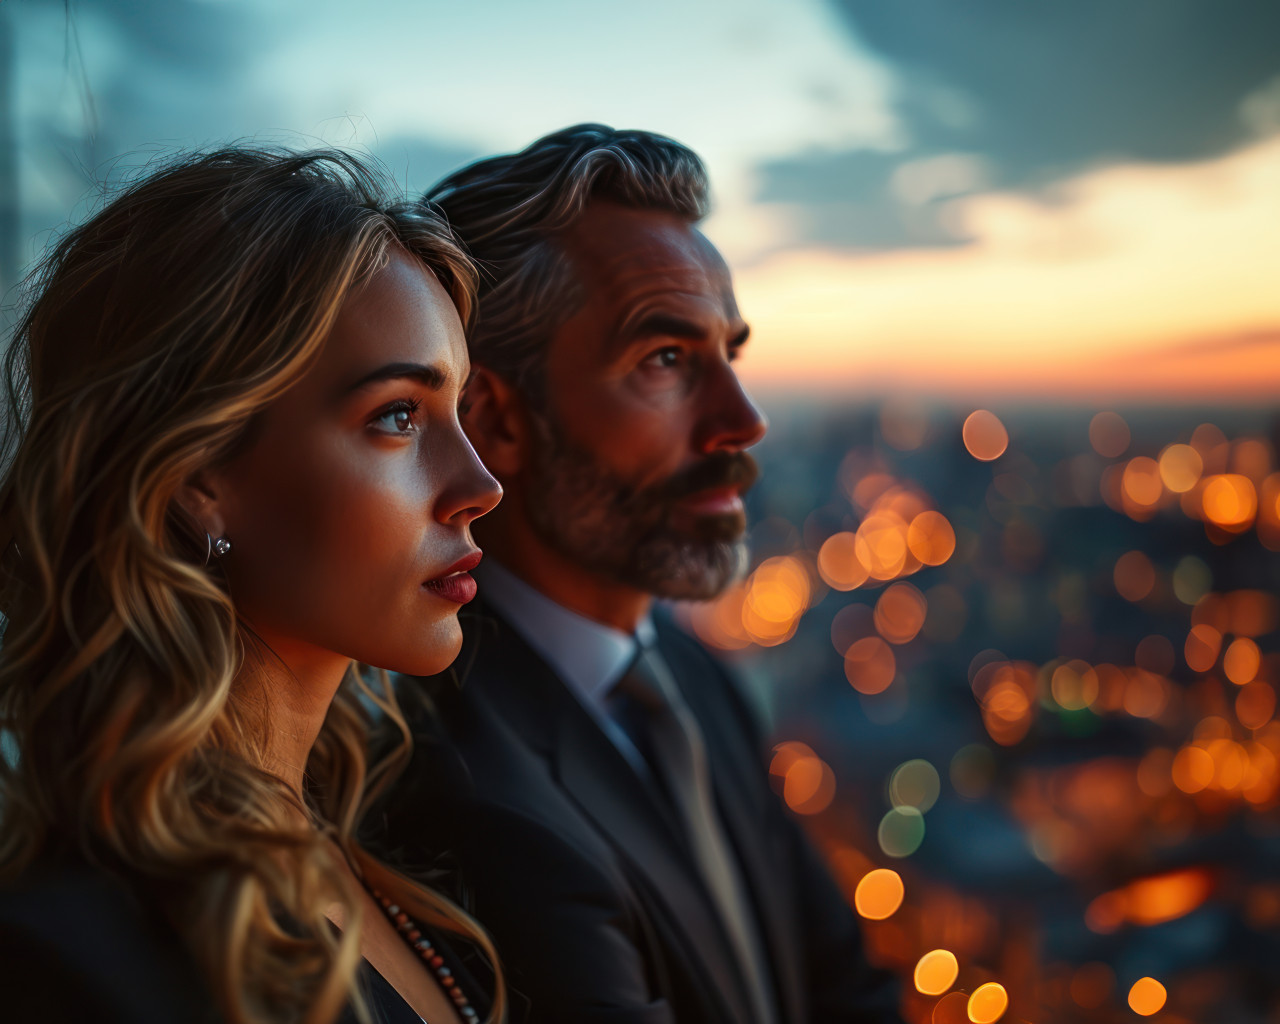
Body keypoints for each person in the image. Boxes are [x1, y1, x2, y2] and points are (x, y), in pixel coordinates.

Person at [371, 125, 903, 1023]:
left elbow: (849, 989)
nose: (743, 419)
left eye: (727, 355)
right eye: (665, 360)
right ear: (496, 420)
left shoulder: (700, 684)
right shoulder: (459, 786)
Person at [0, 147, 506, 1024]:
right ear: (199, 475)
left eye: (456, 409)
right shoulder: (68, 952)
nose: (479, 486)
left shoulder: (378, 852)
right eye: (397, 416)